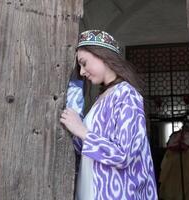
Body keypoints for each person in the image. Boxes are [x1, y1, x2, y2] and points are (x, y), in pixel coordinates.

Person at [60, 30, 158, 200]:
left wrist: (82, 130)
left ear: (103, 56)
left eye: (84, 63)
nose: (82, 72)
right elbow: (86, 149)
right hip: (90, 191)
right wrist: (74, 120)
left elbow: (123, 155)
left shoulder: (127, 94)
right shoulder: (101, 98)